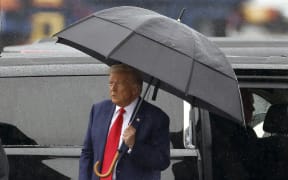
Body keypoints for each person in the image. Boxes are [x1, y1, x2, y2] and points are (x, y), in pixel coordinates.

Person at [79, 64, 170, 180]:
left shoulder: (156, 117)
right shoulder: (98, 110)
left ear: (135, 89)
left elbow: (162, 161)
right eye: (111, 83)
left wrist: (134, 145)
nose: (113, 88)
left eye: (119, 83)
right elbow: (87, 152)